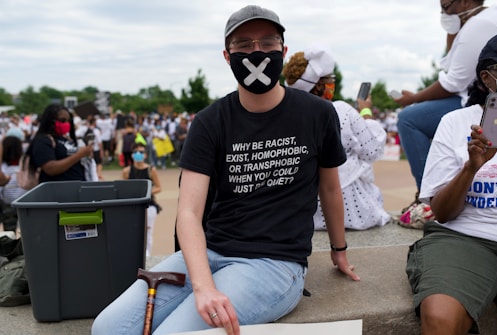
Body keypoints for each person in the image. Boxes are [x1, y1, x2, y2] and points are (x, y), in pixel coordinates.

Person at [92, 5, 359, 335]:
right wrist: (204, 286)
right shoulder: (209, 121)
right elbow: (188, 212)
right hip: (211, 251)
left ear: (283, 50)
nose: (256, 52)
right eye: (244, 45)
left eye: (267, 42)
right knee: (107, 328)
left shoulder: (317, 114)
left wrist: (339, 250)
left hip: (273, 263)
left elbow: (330, 188)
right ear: (227, 55)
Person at [405, 32, 497, 334]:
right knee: (440, 319)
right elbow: (444, 212)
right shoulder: (456, 122)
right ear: (487, 78)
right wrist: (470, 168)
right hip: (465, 238)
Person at [394, 1, 497, 222]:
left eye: (446, 5)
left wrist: (411, 99)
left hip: (475, 98)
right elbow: (449, 62)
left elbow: (452, 82)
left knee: (408, 119)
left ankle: (430, 195)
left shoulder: (477, 26)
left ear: (464, 2)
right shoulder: (488, 17)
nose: (443, 12)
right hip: (482, 92)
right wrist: (453, 30)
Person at [283, 45, 390, 230]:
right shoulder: (340, 110)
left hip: (303, 209)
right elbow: (372, 150)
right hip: (350, 207)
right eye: (330, 79)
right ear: (318, 84)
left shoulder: (286, 113)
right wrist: (365, 111)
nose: (333, 83)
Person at [25, 104, 93, 182]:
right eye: (63, 120)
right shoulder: (43, 140)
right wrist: (79, 155)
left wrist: (85, 155)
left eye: (69, 121)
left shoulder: (66, 139)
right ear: (50, 121)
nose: (67, 124)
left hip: (75, 188)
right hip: (56, 191)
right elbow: (51, 168)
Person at [122, 142, 161, 257]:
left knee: (147, 231)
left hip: (149, 205)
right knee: (133, 232)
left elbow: (159, 187)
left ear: (145, 155)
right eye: (135, 152)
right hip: (132, 206)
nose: (138, 154)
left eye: (141, 152)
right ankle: (135, 256)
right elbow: (124, 188)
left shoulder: (151, 170)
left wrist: (145, 193)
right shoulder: (127, 171)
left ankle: (147, 257)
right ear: (132, 155)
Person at [0, 136, 26, 232]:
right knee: (25, 231)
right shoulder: (24, 165)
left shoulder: (2, 167)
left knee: (8, 231)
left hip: (7, 203)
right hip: (24, 202)